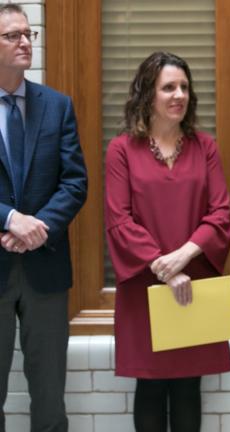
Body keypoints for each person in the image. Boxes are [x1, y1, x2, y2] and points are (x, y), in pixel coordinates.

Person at [104, 51, 230, 432]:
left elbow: (221, 214)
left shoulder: (204, 146)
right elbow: (119, 220)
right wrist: (164, 268)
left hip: (193, 285)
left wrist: (181, 259)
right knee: (150, 385)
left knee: (189, 387)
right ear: (148, 93)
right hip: (145, 286)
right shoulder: (122, 150)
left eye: (184, 87)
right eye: (168, 87)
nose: (179, 95)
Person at [0, 4, 88, 431]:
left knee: (51, 401)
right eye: (12, 35)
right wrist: (9, 218)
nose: (25, 42)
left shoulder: (57, 106)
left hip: (46, 268)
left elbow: (75, 182)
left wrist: (38, 228)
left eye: (28, 34)